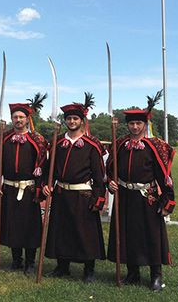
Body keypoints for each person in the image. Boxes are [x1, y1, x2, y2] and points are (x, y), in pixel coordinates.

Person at [107, 97, 175, 291]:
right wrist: (110, 181)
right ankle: (133, 272)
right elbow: (110, 167)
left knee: (151, 235)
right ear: (127, 125)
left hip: (148, 197)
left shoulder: (156, 145)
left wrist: (167, 200)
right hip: (125, 197)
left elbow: (165, 175)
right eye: (131, 123)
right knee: (127, 233)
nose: (135, 127)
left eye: (138, 123)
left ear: (145, 124)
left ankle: (155, 274)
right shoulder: (119, 144)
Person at [42, 97, 106, 282]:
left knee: (85, 233)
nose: (71, 122)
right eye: (68, 119)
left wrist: (98, 198)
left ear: (81, 121)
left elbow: (99, 175)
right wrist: (47, 184)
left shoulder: (92, 145)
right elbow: (50, 168)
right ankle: (63, 267)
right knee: (61, 231)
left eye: (75, 119)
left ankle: (89, 270)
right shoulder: (57, 142)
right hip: (62, 194)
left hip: (83, 195)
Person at [0, 102, 48, 274]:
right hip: (9, 189)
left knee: (30, 227)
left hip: (29, 190)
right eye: (15, 117)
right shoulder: (3, 139)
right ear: (11, 119)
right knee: (13, 226)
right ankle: (16, 260)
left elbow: (43, 167)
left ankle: (30, 262)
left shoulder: (37, 141)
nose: (18, 120)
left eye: (21, 117)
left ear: (27, 119)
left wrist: (40, 189)